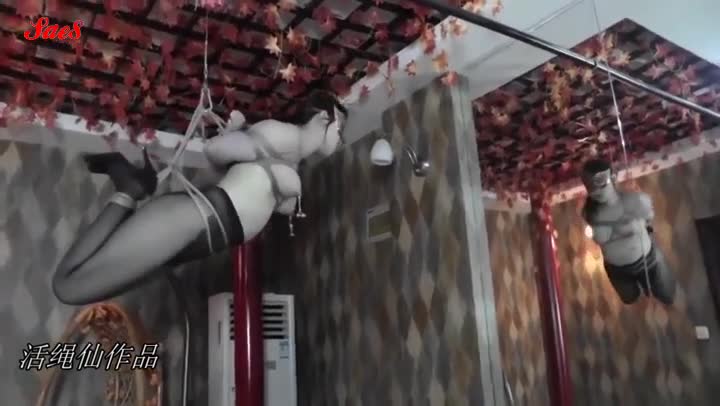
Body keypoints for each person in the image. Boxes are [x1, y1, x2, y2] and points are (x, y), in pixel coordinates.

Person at [52, 92, 347, 305]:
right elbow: (216, 150)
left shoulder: (291, 158)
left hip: (198, 236)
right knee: (68, 287)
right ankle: (128, 187)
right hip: (189, 221)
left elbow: (253, 193)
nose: (341, 139)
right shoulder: (280, 134)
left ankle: (129, 187)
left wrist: (279, 182)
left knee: (78, 285)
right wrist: (249, 146)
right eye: (340, 131)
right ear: (323, 118)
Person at [581, 158, 676, 305]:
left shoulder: (635, 201)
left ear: (613, 178)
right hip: (617, 270)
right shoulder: (591, 214)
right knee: (630, 299)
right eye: (590, 186)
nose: (596, 190)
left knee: (666, 295)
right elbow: (598, 237)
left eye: (600, 182)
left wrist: (637, 219)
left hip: (647, 261)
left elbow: (648, 218)